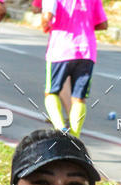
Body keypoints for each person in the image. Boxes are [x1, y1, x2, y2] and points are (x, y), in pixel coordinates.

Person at [41, 0, 107, 136]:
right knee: (79, 98)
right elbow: (103, 24)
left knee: (51, 92)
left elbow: (47, 17)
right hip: (86, 50)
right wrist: (84, 25)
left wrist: (45, 26)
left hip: (60, 49)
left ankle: (60, 128)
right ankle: (75, 137)